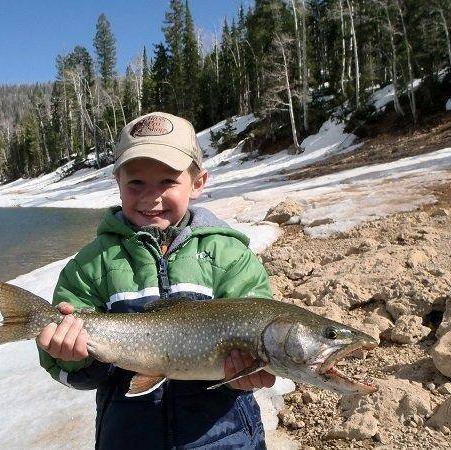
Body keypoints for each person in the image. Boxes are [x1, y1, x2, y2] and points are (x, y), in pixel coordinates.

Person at [36, 111, 275, 449]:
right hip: (128, 438)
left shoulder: (229, 256)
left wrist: (248, 374)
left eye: (167, 181)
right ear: (117, 181)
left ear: (198, 182)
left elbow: (259, 324)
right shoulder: (93, 263)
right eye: (136, 183)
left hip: (225, 437)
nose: (151, 197)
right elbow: (67, 367)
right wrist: (70, 356)